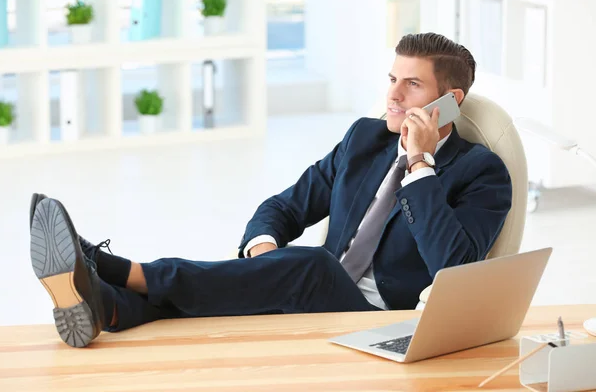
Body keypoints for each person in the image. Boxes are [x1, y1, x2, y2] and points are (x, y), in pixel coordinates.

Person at [29, 32, 512, 348]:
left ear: (450, 103)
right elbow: (285, 206)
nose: (393, 95)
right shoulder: (366, 139)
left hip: (390, 326)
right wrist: (263, 246)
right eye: (391, 80)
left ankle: (112, 271)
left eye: (412, 86)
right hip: (319, 294)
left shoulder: (481, 173)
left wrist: (421, 164)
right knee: (295, 266)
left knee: (312, 265)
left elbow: (456, 270)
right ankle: (112, 305)